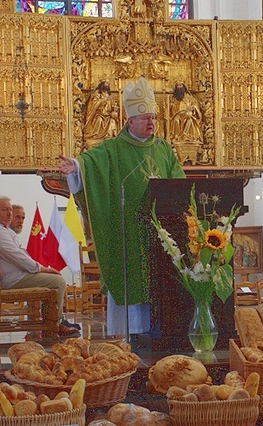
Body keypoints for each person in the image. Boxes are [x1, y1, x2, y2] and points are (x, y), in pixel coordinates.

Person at [58, 77, 185, 337]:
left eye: (152, 118)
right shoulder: (114, 149)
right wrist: (76, 167)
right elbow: (90, 161)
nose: (151, 123)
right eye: (144, 118)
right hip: (128, 230)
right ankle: (133, 333)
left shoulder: (163, 149)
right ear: (130, 121)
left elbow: (179, 184)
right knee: (132, 279)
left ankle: (163, 330)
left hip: (161, 231)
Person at [0, 196, 80, 337]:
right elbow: (16, 255)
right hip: (11, 279)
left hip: (10, 277)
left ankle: (51, 321)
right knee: (58, 281)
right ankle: (55, 323)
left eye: (10, 209)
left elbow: (17, 254)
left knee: (52, 279)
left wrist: (37, 268)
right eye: (5, 210)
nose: (9, 213)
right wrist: (40, 268)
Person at [82, 81, 120, 148]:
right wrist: (104, 100)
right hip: (98, 114)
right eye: (105, 85)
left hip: (107, 115)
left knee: (112, 122)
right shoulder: (97, 94)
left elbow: (112, 106)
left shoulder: (109, 95)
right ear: (102, 86)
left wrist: (114, 110)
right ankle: (95, 136)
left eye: (108, 86)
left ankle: (108, 136)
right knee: (99, 120)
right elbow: (94, 104)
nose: (107, 87)